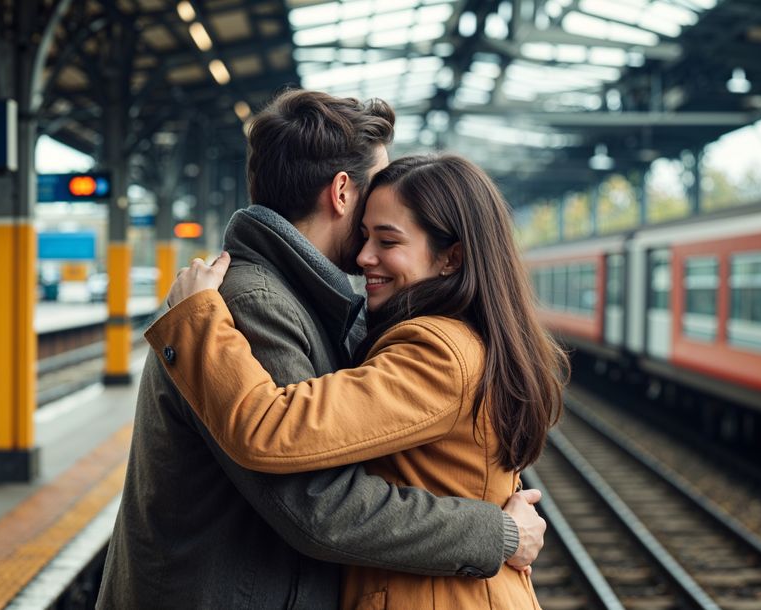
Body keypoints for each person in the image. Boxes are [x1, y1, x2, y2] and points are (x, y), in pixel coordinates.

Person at [97, 92, 548, 609]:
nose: (365, 252)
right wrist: (497, 533)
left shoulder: (309, 303)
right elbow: (316, 504)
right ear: (340, 192)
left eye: (388, 239)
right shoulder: (255, 303)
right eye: (376, 184)